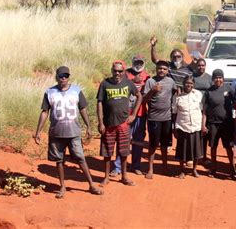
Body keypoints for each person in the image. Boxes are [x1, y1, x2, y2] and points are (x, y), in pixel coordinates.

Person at [34, 66, 103, 198]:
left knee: (81, 158)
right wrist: (38, 131)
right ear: (56, 77)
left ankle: (91, 184)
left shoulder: (76, 91)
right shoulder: (49, 92)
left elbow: (83, 109)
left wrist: (88, 126)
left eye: (66, 76)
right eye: (61, 76)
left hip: (74, 132)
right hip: (56, 133)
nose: (63, 78)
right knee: (59, 160)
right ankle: (62, 186)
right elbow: (44, 112)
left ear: (68, 77)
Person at [97, 60, 142, 187]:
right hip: (108, 124)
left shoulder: (128, 83)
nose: (117, 73)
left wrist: (133, 114)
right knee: (107, 153)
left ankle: (124, 176)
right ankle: (106, 177)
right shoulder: (105, 84)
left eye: (120, 71)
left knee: (123, 152)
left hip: (124, 124)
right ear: (112, 70)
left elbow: (139, 96)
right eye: (115, 71)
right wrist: (101, 122)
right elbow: (99, 102)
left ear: (123, 72)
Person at [110, 54, 150, 176]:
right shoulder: (124, 73)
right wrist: (132, 81)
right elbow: (117, 84)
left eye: (140, 62)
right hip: (124, 113)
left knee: (138, 140)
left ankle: (135, 165)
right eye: (136, 62)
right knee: (122, 139)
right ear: (132, 62)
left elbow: (147, 95)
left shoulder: (147, 76)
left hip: (140, 113)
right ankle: (117, 167)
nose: (138, 65)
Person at [143, 59, 176, 179]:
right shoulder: (150, 81)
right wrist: (152, 91)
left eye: (164, 69)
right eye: (159, 68)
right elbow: (144, 100)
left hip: (167, 118)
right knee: (152, 145)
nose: (162, 71)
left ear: (167, 70)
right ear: (156, 69)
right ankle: (150, 169)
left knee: (164, 145)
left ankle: (165, 167)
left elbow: (175, 92)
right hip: (153, 118)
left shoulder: (171, 81)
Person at [202, 69, 236, 178]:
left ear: (223, 78)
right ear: (213, 79)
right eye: (216, 77)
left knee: (228, 147)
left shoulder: (229, 89)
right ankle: (213, 169)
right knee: (213, 147)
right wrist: (203, 125)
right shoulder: (209, 91)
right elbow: (205, 110)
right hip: (213, 123)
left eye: (220, 77)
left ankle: (232, 169)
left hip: (226, 123)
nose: (218, 79)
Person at [172, 76, 205, 178]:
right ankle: (181, 170)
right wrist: (174, 128)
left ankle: (194, 170)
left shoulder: (198, 95)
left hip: (196, 126)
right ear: (183, 84)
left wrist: (203, 125)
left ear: (193, 84)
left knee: (196, 151)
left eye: (191, 83)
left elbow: (202, 110)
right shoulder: (177, 97)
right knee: (182, 150)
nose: (189, 85)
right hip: (183, 126)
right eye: (187, 83)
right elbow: (174, 113)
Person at [193, 58, 213, 165]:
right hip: (194, 108)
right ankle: (195, 156)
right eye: (199, 65)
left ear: (205, 66)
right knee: (195, 132)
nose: (201, 67)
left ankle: (204, 156)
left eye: (203, 65)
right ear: (196, 66)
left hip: (206, 108)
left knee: (204, 132)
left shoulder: (210, 78)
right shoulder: (193, 77)